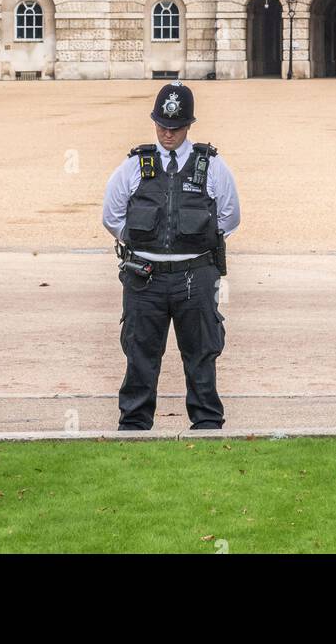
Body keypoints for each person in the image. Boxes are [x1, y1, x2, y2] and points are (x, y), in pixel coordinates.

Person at [102, 82, 240, 431]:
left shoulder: (212, 166)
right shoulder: (134, 165)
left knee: (201, 355)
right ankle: (133, 425)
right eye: (162, 125)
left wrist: (193, 245)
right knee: (140, 355)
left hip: (195, 276)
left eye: (175, 128)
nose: (167, 133)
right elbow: (112, 215)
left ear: (188, 126)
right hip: (144, 277)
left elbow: (229, 216)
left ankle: (207, 424)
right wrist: (141, 245)